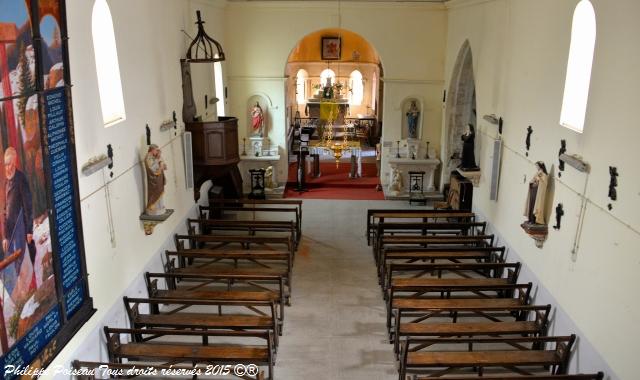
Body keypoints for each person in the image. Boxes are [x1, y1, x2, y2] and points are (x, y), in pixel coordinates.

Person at [3, 146, 36, 292]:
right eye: (5, 164)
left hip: (21, 231)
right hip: (11, 235)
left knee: (25, 267)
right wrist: (4, 237)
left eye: (9, 163)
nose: (7, 167)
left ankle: (29, 295)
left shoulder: (21, 179)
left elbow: (28, 205)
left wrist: (29, 230)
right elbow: (5, 212)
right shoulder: (6, 183)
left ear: (15, 163)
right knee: (15, 269)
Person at [144, 144, 167, 216]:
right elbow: (152, 168)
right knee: (155, 192)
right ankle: (152, 206)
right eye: (156, 150)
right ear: (152, 150)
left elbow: (159, 162)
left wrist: (161, 162)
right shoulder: (148, 157)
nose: (157, 152)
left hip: (158, 178)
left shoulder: (154, 157)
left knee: (160, 191)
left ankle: (160, 207)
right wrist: (159, 165)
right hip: (153, 180)